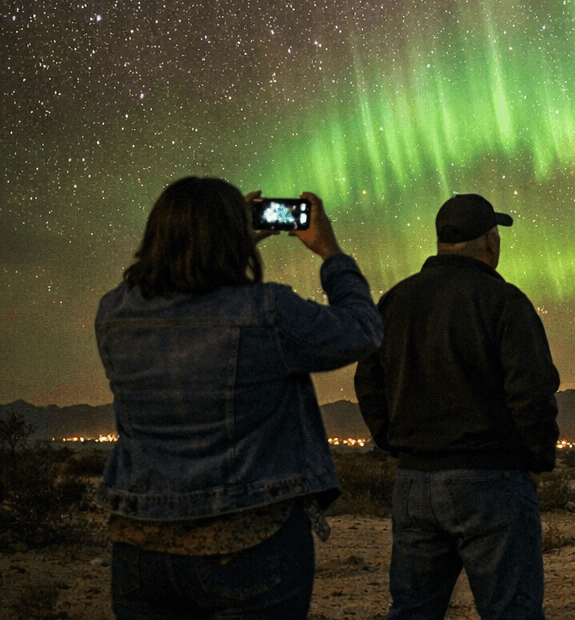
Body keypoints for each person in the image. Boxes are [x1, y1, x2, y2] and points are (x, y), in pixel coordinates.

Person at [96, 178, 383, 620]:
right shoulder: (266, 312)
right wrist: (332, 253)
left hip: (141, 545)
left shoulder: (114, 313)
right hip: (250, 542)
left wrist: (220, 242)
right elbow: (362, 330)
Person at [354, 193, 559, 620]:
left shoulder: (395, 302)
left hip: (414, 481)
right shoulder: (503, 302)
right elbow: (532, 390)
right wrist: (535, 456)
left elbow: (368, 383)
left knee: (411, 610)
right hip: (491, 481)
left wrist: (395, 443)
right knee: (511, 612)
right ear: (490, 240)